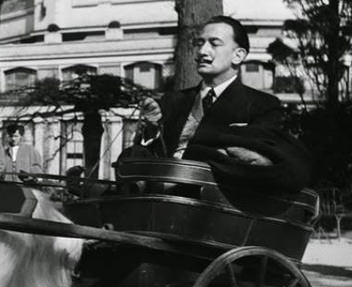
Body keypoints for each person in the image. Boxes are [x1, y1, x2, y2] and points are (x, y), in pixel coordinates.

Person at [128, 15, 311, 192]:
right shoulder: (172, 101)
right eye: (200, 43)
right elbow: (155, 154)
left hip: (214, 200)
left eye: (214, 44)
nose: (202, 51)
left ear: (238, 56)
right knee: (131, 155)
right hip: (159, 192)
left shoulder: (263, 105)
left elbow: (257, 160)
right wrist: (152, 129)